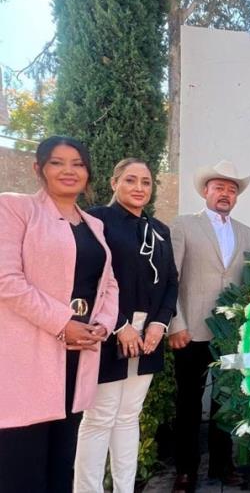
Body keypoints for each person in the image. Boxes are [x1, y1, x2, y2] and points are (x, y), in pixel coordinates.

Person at [0, 136, 118, 493]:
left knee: (60, 467)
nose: (69, 170)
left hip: (77, 357)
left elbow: (108, 285)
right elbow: (7, 279)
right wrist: (61, 322)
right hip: (29, 359)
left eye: (78, 163)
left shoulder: (94, 225)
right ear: (39, 168)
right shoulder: (14, 208)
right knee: (22, 470)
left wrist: (103, 324)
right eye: (57, 162)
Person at [74, 158, 179, 492]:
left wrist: (160, 324)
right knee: (99, 418)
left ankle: (124, 488)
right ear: (113, 182)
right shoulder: (96, 220)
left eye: (145, 182)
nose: (138, 188)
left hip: (148, 336)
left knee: (129, 416)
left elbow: (172, 283)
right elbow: (88, 278)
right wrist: (120, 325)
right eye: (130, 180)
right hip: (108, 333)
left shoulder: (159, 230)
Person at [169, 160, 250, 492]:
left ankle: (223, 464)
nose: (225, 193)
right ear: (206, 191)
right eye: (219, 187)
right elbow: (171, 279)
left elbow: (248, 282)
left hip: (230, 333)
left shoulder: (246, 232)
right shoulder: (184, 225)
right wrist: (176, 323)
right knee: (188, 402)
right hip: (190, 330)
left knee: (226, 402)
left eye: (231, 189)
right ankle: (186, 470)